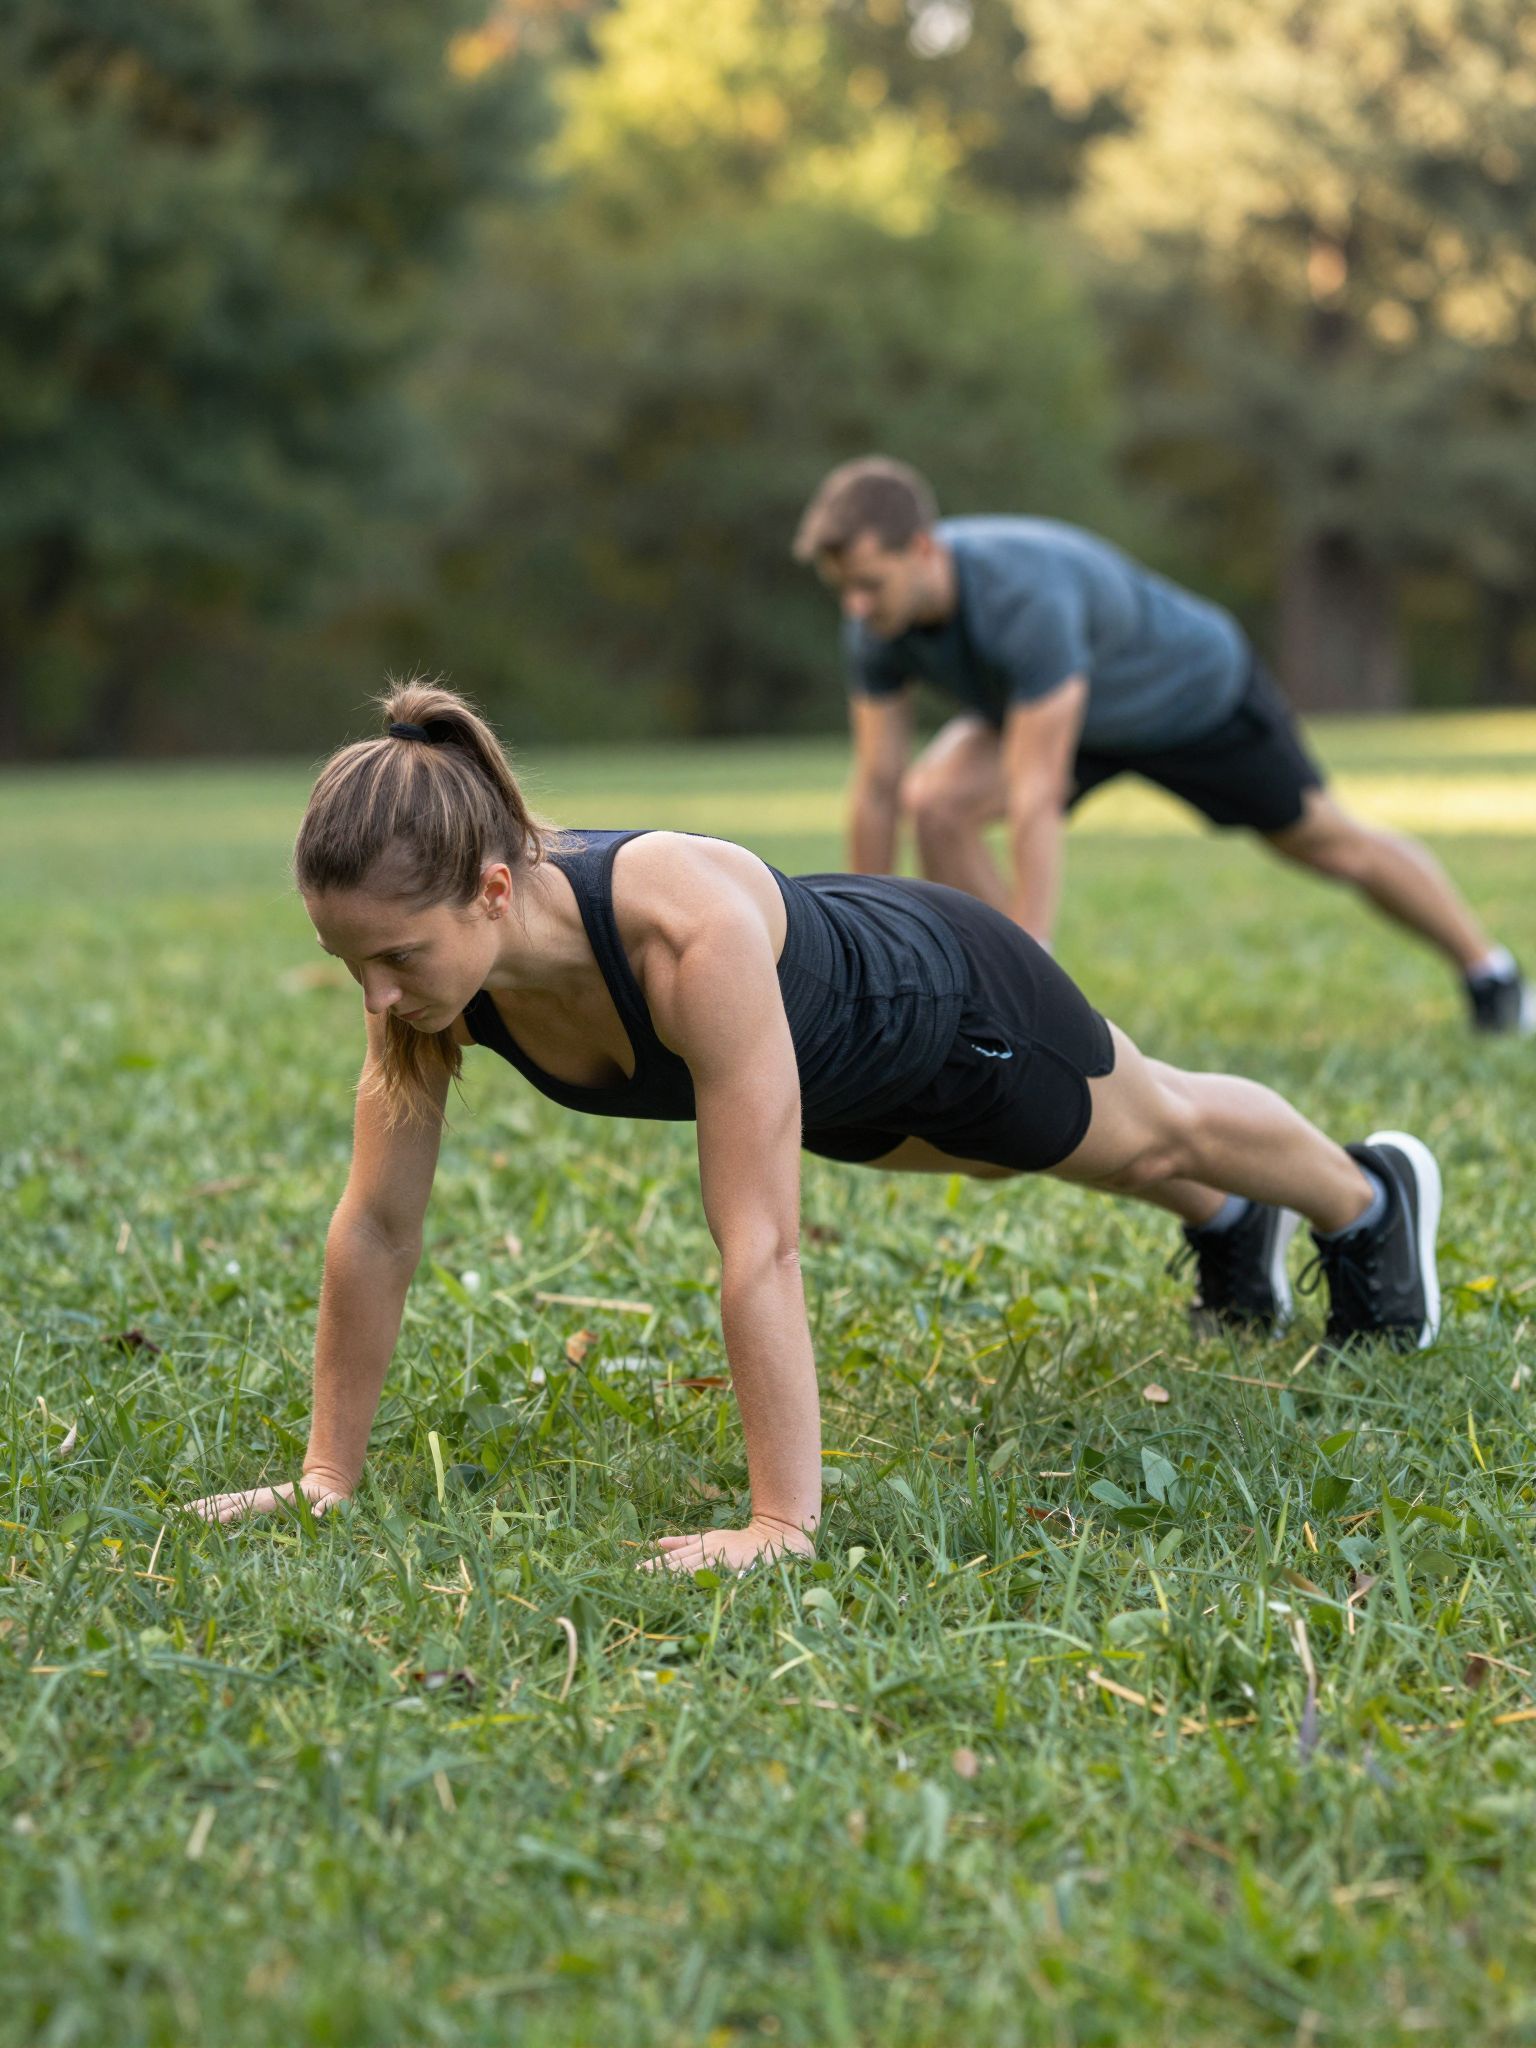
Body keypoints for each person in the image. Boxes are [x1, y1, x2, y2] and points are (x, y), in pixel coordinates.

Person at [190, 683, 1444, 1569]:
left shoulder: (685, 932)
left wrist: (780, 1519)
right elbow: (378, 1225)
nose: (376, 996)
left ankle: (1371, 1200)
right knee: (1029, 1165)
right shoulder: (431, 983)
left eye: (395, 956)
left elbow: (760, 1244)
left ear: (495, 888)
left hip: (948, 1003)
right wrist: (324, 1478)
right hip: (841, 1078)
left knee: (1151, 1124)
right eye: (350, 961)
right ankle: (1232, 1223)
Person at [793, 456, 1532, 1036]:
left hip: (1189, 697)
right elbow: (878, 786)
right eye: (841, 591)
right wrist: (861, 948)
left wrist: (1039, 948)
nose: (855, 607)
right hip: (1077, 716)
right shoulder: (874, 628)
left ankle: (1490, 973)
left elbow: (1036, 792)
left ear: (921, 549)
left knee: (1328, 842)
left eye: (869, 584)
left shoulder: (1022, 597)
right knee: (937, 802)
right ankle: (999, 1012)